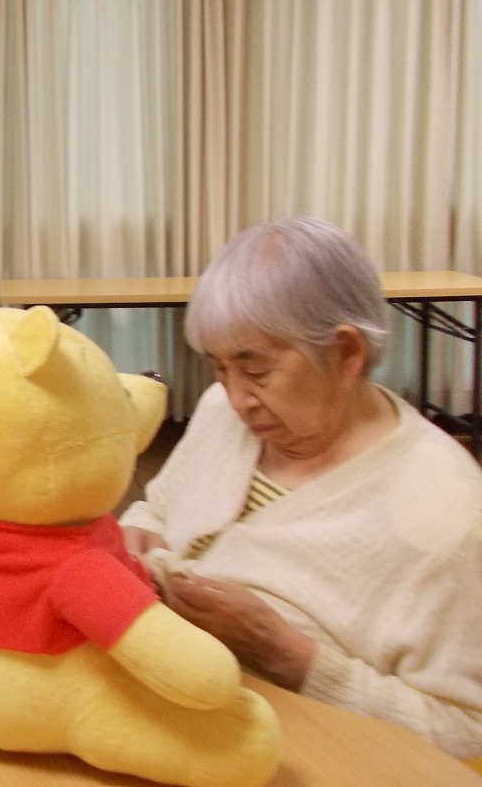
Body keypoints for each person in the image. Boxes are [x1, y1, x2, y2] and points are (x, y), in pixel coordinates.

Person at [120, 216, 482, 759]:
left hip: (298, 751)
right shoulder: (223, 412)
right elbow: (159, 508)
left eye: (257, 372)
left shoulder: (448, 513)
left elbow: (465, 730)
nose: (237, 399)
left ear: (345, 353)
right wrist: (137, 532)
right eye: (219, 369)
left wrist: (289, 655)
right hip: (162, 700)